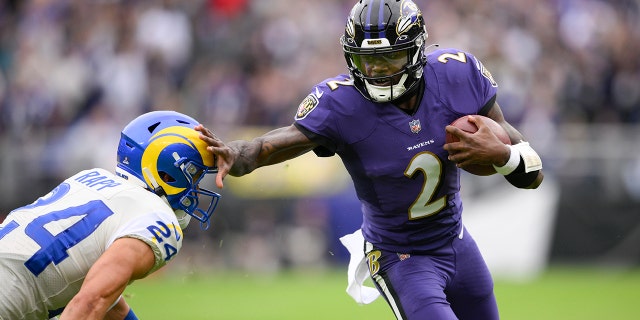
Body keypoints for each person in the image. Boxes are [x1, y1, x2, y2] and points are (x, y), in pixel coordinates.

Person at [197, 0, 543, 319]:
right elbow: (267, 146)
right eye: (367, 60)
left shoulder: (457, 75)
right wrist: (238, 155)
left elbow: (533, 172)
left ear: (416, 51)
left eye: (389, 58)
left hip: (458, 242)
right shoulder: (342, 105)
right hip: (400, 257)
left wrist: (504, 156)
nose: (377, 70)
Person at [0, 110, 221, 320]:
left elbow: (107, 302)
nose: (196, 186)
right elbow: (89, 304)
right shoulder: (158, 217)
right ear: (165, 170)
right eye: (193, 174)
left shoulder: (91, 178)